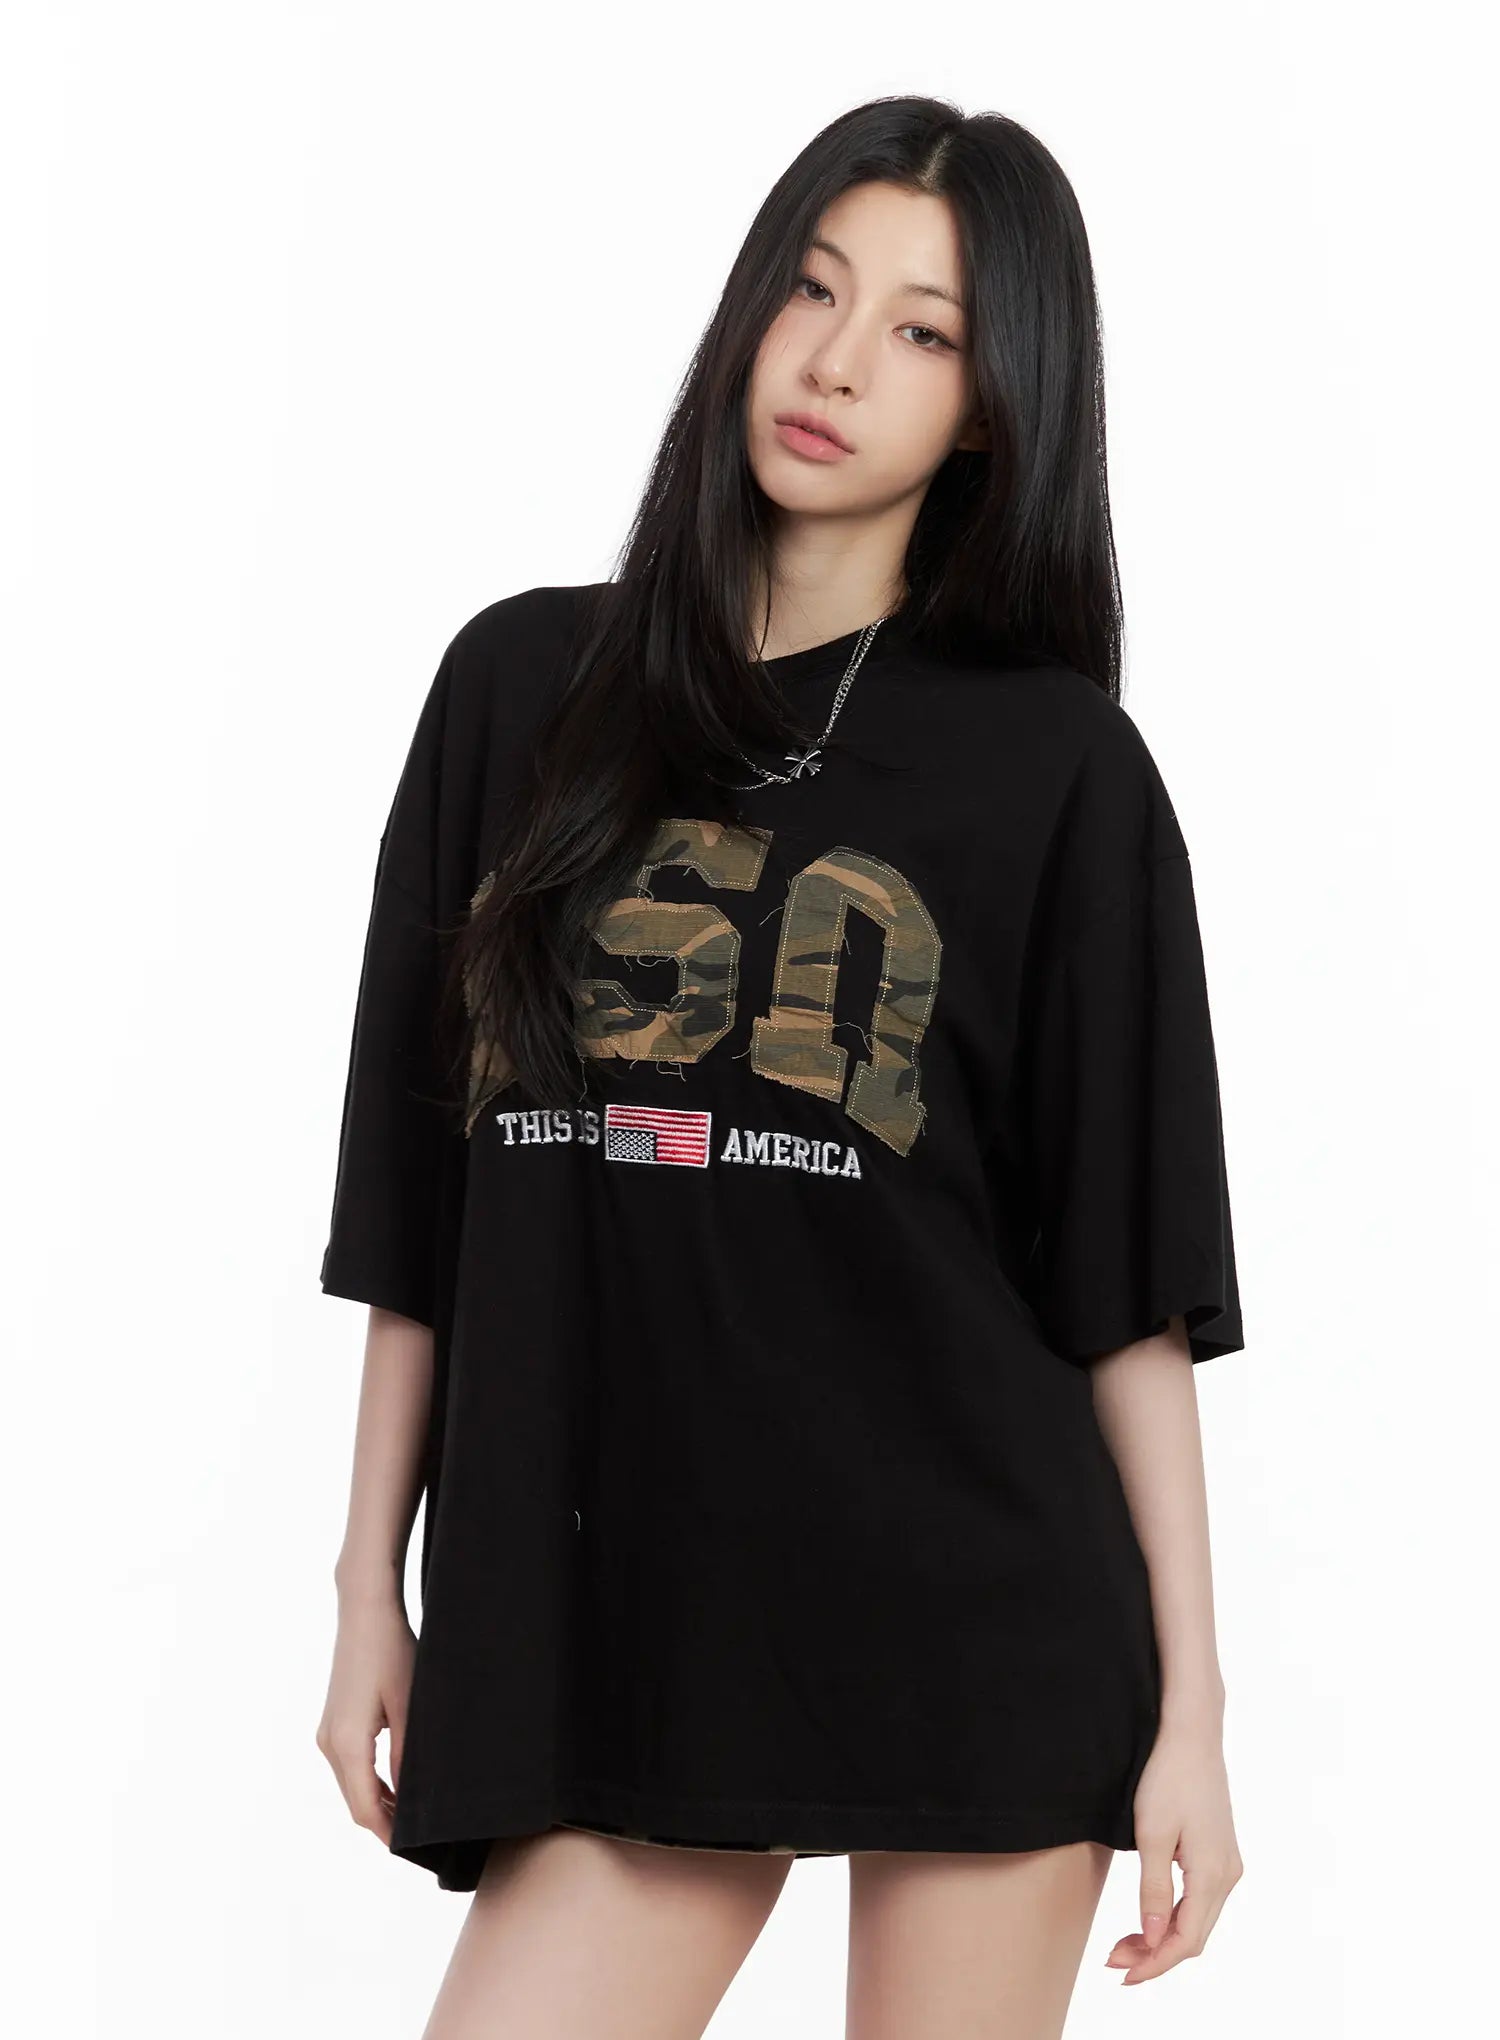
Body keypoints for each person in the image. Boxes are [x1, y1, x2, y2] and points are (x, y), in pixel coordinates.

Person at [314, 94, 1246, 2040]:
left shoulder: (1056, 767)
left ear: (990, 409)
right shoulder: (520, 692)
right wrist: (365, 1590)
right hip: (632, 1620)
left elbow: (1123, 1287)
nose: (836, 363)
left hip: (978, 1611)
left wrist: (1195, 1714)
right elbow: (419, 1205)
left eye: (922, 330)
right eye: (813, 292)